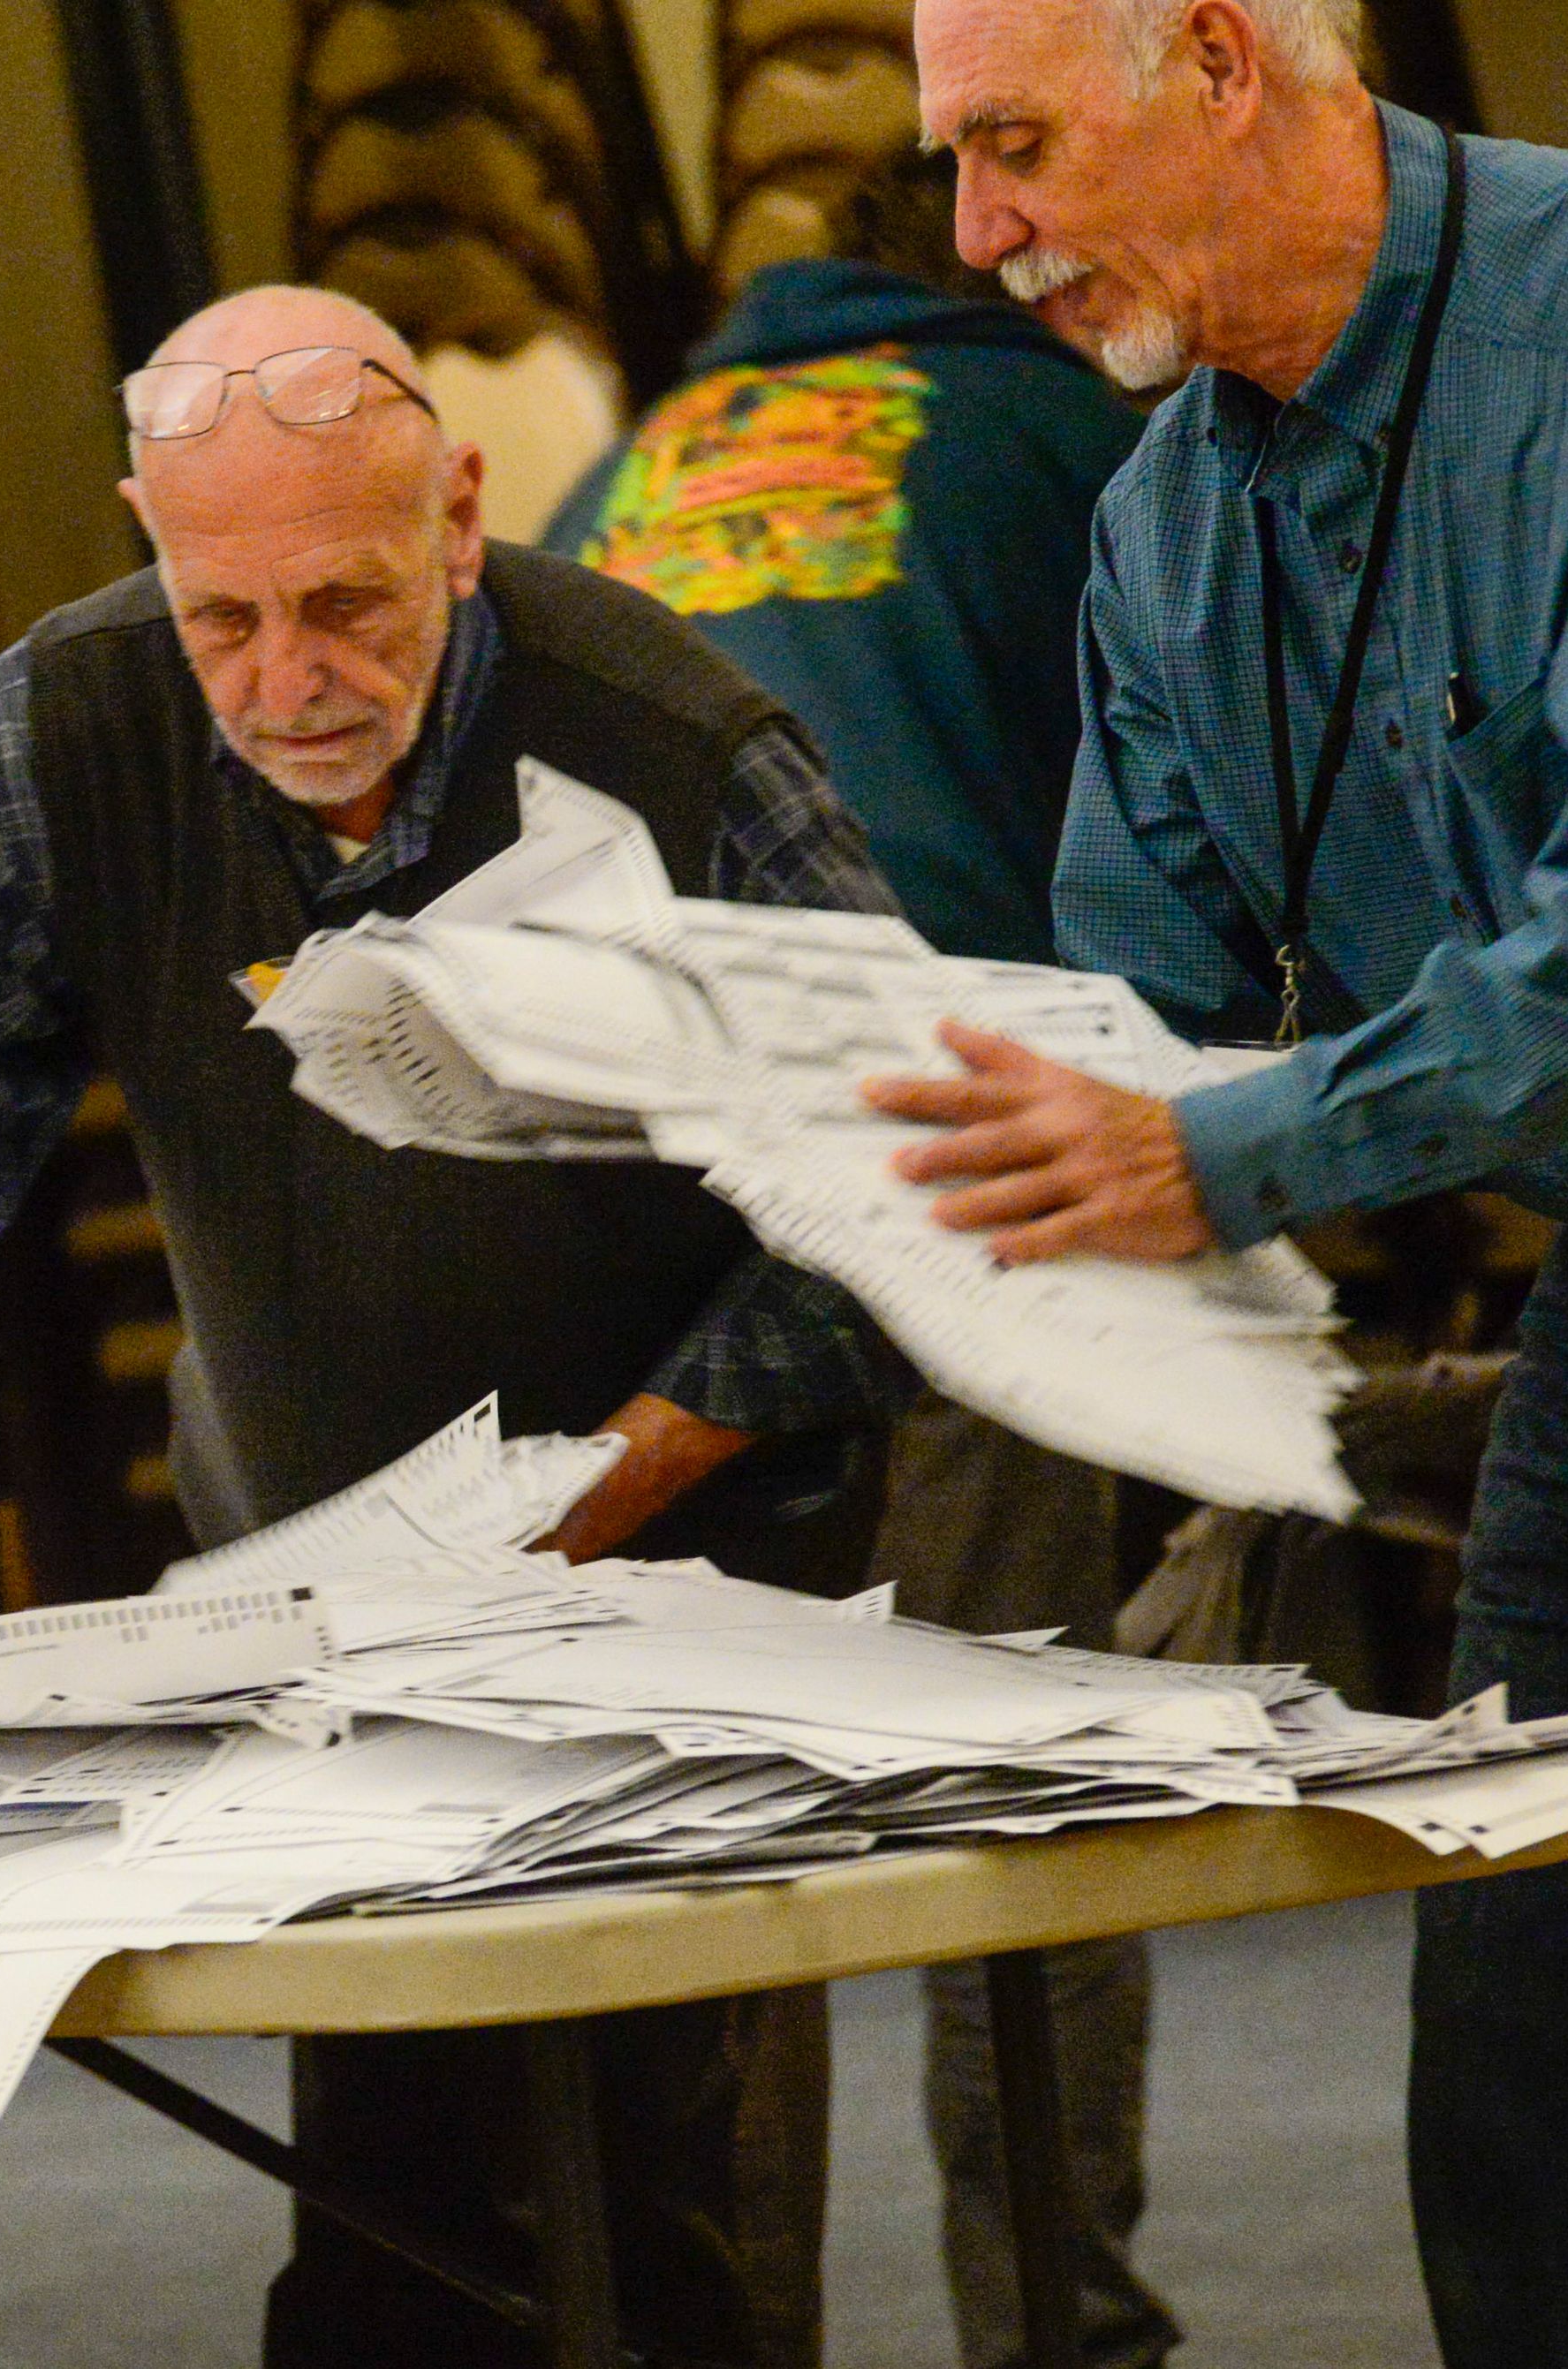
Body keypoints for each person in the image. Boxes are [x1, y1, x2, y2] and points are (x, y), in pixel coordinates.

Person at [0, 283, 913, 2367]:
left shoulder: (674, 747)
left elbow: (900, 1197)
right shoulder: (76, 729)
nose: (289, 681)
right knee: (395, 2239)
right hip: (322, 1598)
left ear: (461, 518)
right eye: (224, 617)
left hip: (690, 1585)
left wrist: (632, 1468)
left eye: (348, 604)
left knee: (661, 2225)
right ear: (146, 538)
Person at [876, 3, 1568, 2363]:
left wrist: (1222, 1152)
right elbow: (1135, 999)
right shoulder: (1168, 522)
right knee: (1517, 2092)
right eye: (953, 164)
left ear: (1219, 60)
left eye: (1012, 147)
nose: (977, 237)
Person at [545, 146, 1174, 2369]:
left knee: (738, 1821)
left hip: (618, 1178)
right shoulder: (1079, 430)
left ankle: (732, 2340)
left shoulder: (625, 465)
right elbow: (1173, 817)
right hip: (948, 1128)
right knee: (1021, 1782)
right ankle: (1059, 2332)